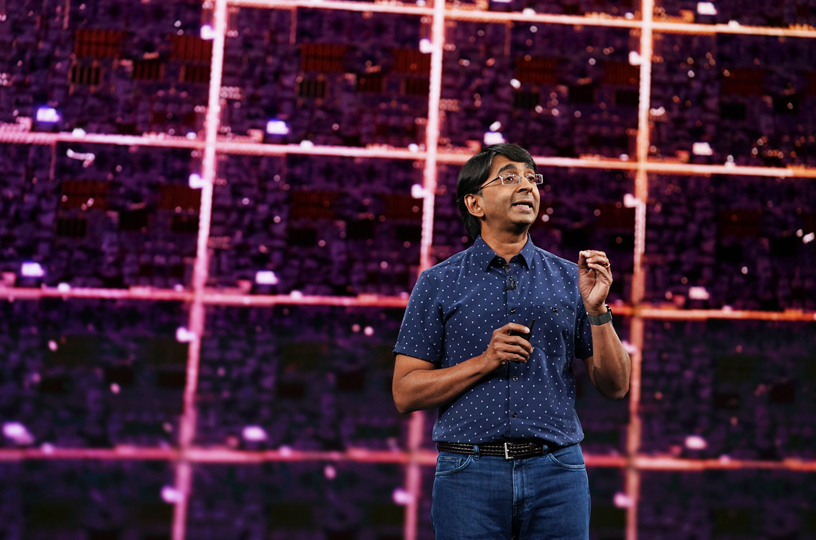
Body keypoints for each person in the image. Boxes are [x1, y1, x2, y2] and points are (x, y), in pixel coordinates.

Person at [392, 143, 631, 539]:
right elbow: (405, 392)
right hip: (468, 476)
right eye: (508, 178)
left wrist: (597, 310)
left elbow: (617, 385)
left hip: (558, 473)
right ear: (475, 204)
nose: (526, 187)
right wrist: (484, 362)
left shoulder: (573, 278)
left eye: (530, 178)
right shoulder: (438, 283)